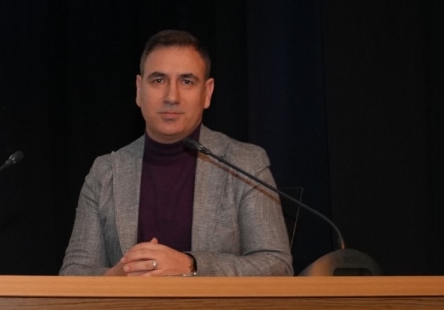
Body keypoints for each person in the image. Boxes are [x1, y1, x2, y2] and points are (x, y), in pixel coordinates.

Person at [60, 30, 291, 276]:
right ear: (139, 89)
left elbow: (277, 265)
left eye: (187, 81)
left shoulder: (244, 164)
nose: (172, 97)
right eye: (158, 80)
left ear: (207, 93)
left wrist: (192, 265)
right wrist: (117, 277)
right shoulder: (106, 172)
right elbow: (73, 273)